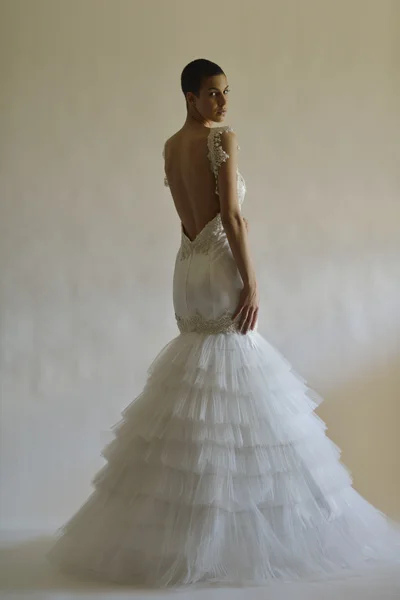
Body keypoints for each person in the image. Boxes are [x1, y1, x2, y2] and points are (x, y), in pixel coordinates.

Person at [47, 58, 400, 588]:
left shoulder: (170, 147)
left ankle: (185, 529)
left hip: (187, 266)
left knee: (195, 376)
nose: (223, 103)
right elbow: (231, 217)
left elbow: (189, 214)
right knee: (237, 373)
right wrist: (252, 281)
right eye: (212, 94)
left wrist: (212, 238)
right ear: (189, 96)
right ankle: (228, 531)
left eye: (226, 93)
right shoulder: (222, 140)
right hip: (218, 263)